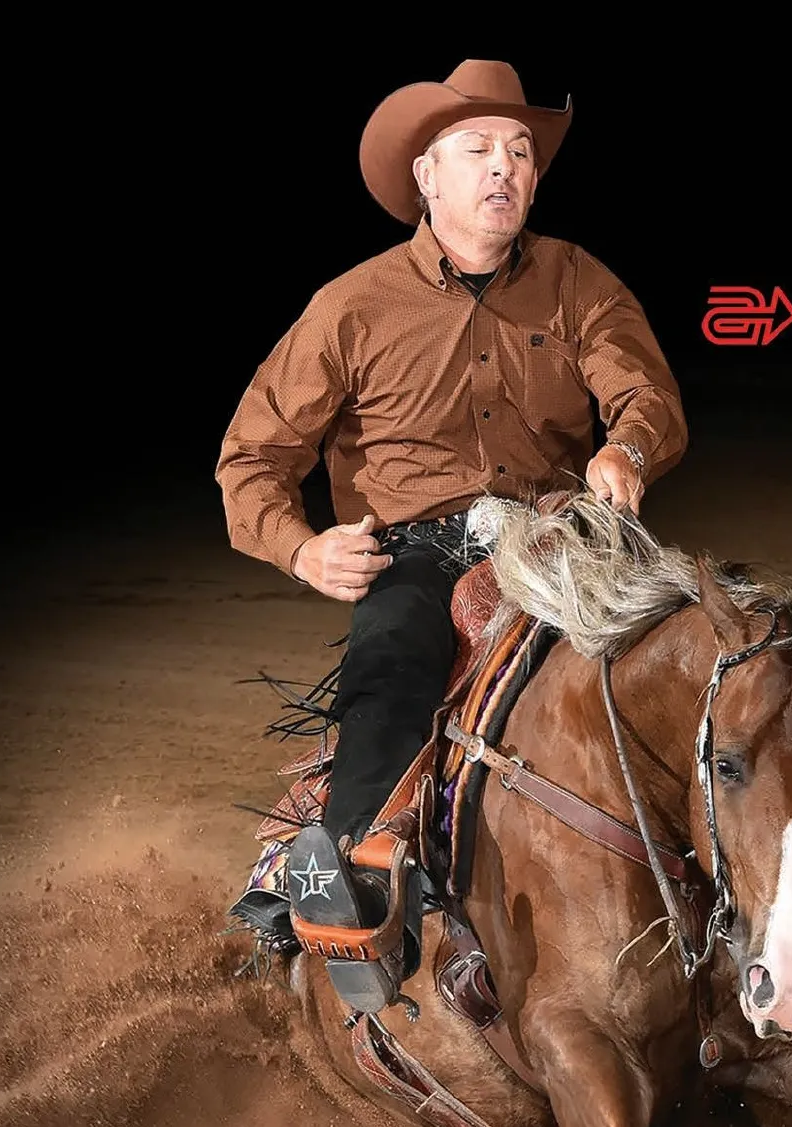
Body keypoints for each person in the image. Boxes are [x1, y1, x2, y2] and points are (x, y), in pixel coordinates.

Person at [216, 60, 688, 1013]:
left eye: (520, 152)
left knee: (701, 658)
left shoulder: (577, 281)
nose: (504, 167)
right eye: (477, 150)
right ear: (426, 177)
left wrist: (627, 449)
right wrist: (303, 548)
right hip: (419, 552)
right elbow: (251, 456)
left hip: (561, 539)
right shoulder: (353, 306)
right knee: (394, 661)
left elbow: (646, 394)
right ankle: (354, 880)